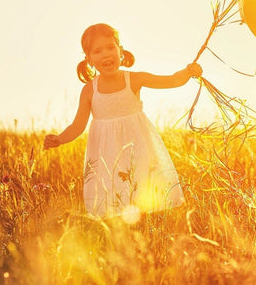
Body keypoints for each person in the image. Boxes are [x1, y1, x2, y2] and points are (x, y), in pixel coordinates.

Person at [43, 23, 202, 218]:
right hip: (106, 153)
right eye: (97, 51)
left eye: (110, 47)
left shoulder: (134, 79)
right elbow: (77, 126)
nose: (106, 54)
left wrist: (188, 71)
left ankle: (147, 231)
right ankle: (117, 235)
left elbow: (170, 80)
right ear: (89, 60)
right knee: (112, 197)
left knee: (144, 190)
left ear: (121, 51)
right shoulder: (89, 90)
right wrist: (59, 139)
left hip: (138, 148)